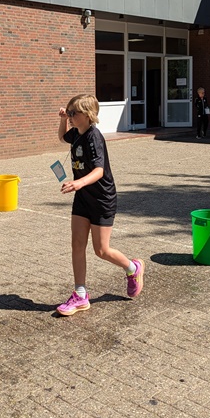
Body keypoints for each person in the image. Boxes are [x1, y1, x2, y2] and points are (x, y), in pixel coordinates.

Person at [55, 94, 144, 316]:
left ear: (87, 115)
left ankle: (133, 268)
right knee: (77, 244)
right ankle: (80, 294)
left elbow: (99, 170)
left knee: (102, 250)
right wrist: (62, 120)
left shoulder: (94, 137)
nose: (70, 116)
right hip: (82, 198)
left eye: (73, 113)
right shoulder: (77, 132)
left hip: (102, 199)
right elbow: (62, 137)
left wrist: (78, 183)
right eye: (69, 112)